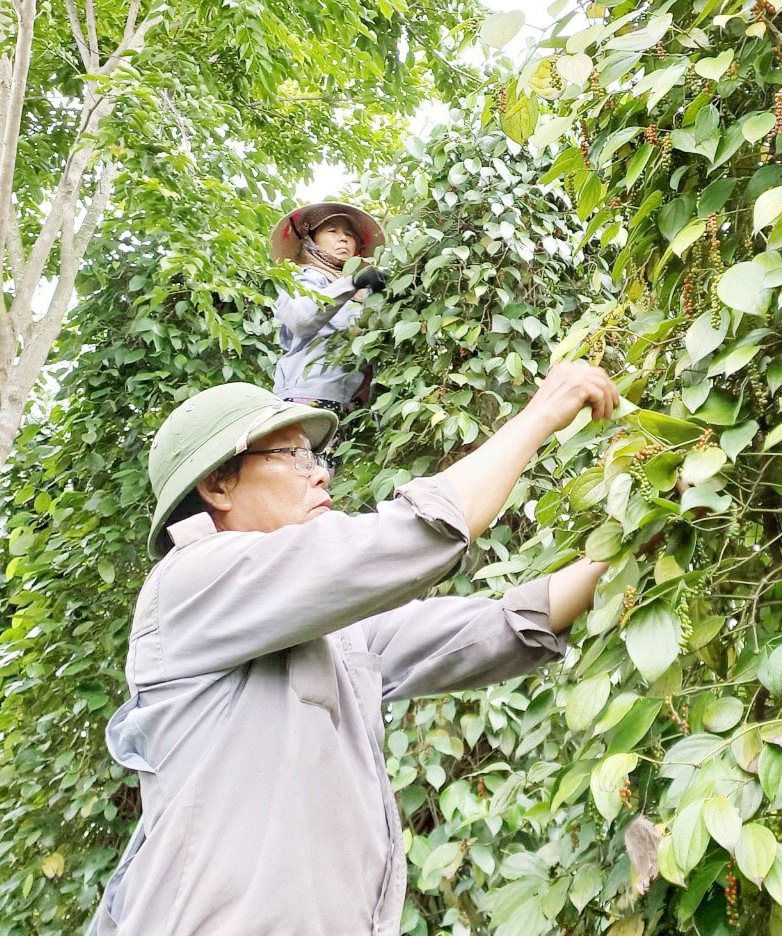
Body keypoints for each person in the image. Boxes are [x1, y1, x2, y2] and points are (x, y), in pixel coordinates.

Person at [88, 362, 619, 935]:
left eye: (317, 459)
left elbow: (491, 630)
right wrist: (541, 414)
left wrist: (635, 538)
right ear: (218, 485)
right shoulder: (191, 583)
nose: (319, 476)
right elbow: (412, 538)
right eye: (293, 457)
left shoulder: (326, 628)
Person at [269, 201, 389, 421]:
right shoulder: (301, 279)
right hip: (309, 399)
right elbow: (300, 319)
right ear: (310, 240)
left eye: (349, 234)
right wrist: (352, 283)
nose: (342, 238)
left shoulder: (364, 293)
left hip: (354, 408)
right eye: (332, 231)